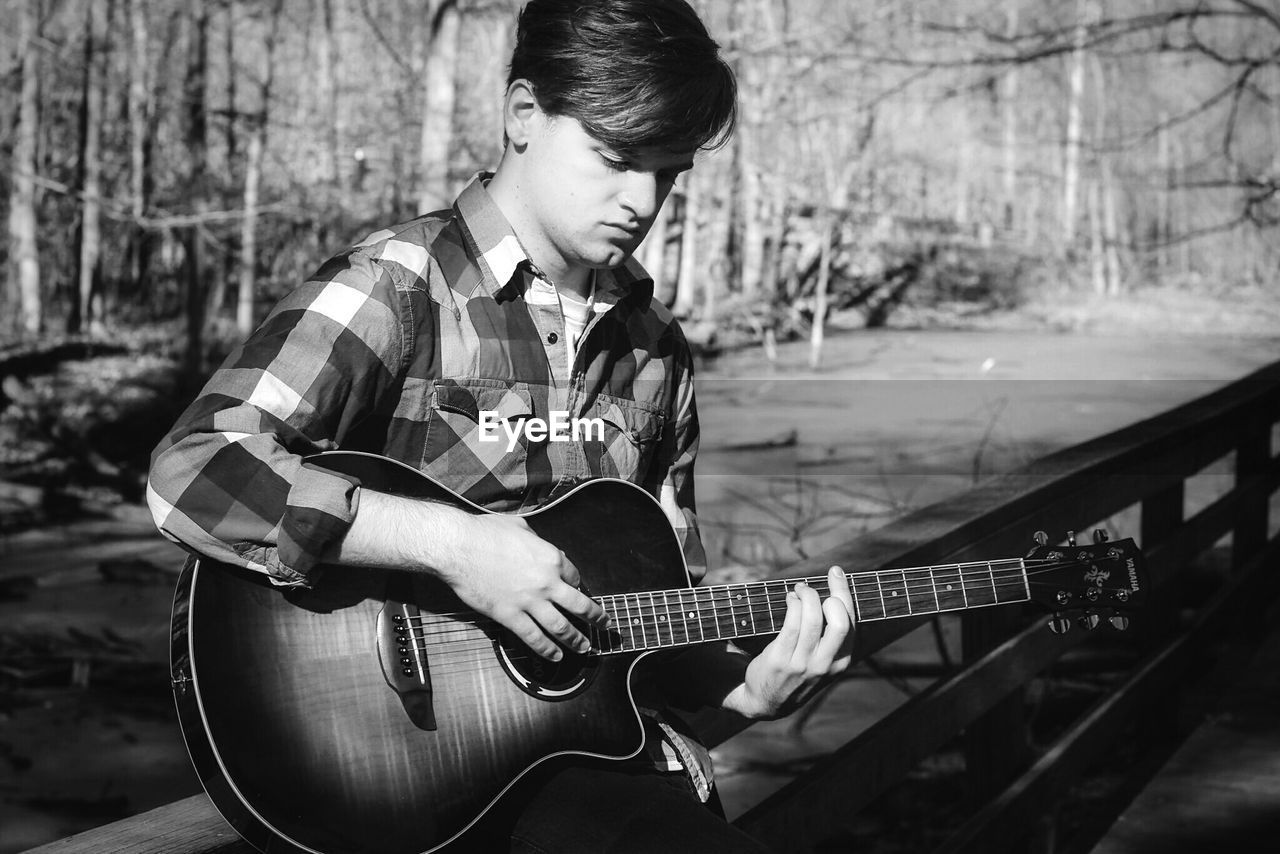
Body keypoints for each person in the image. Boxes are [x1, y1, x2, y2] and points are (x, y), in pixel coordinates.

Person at [147, 1, 855, 851]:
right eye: (616, 159)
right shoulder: (399, 285)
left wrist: (743, 692)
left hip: (588, 773)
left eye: (668, 174)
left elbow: (654, 616)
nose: (643, 201)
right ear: (524, 115)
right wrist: (454, 546)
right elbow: (191, 468)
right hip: (405, 764)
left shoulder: (655, 348)